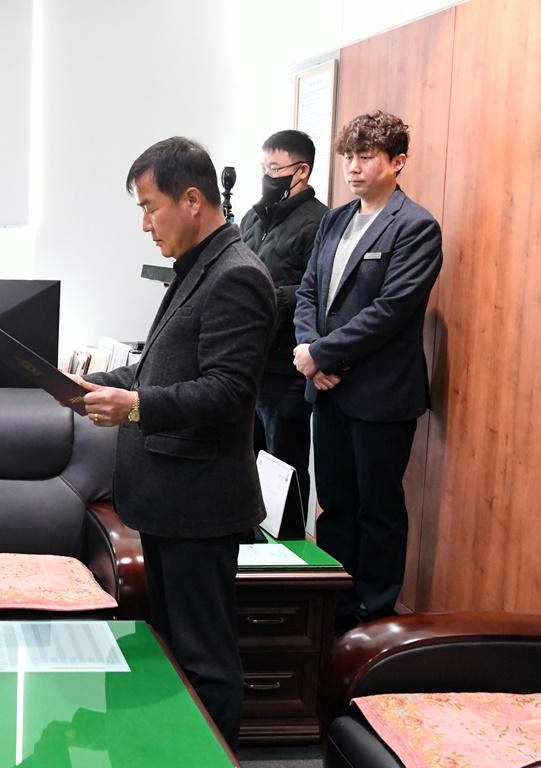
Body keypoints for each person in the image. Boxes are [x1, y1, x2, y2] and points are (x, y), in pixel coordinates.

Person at [77, 137, 275, 747]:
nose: (144, 225)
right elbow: (163, 369)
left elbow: (225, 393)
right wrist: (93, 384)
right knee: (170, 653)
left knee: (206, 662)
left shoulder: (237, 275)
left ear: (193, 199)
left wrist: (133, 406)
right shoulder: (197, 267)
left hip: (199, 506)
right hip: (167, 502)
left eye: (150, 207)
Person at [293, 110, 442, 633]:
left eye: (366, 157)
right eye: (349, 156)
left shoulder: (416, 227)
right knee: (333, 505)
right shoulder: (335, 219)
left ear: (397, 162)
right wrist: (307, 347)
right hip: (327, 389)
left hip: (380, 396)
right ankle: (330, 608)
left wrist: (323, 356)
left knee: (377, 511)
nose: (353, 167)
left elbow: (390, 312)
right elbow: (309, 289)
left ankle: (373, 618)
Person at [239, 130, 328, 509]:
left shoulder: (323, 222)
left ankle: (287, 558)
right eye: (263, 167)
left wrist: (263, 296)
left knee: (284, 469)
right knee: (248, 465)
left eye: (275, 168)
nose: (267, 176)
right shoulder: (252, 218)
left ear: (301, 171)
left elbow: (317, 292)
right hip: (249, 365)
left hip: (288, 370)